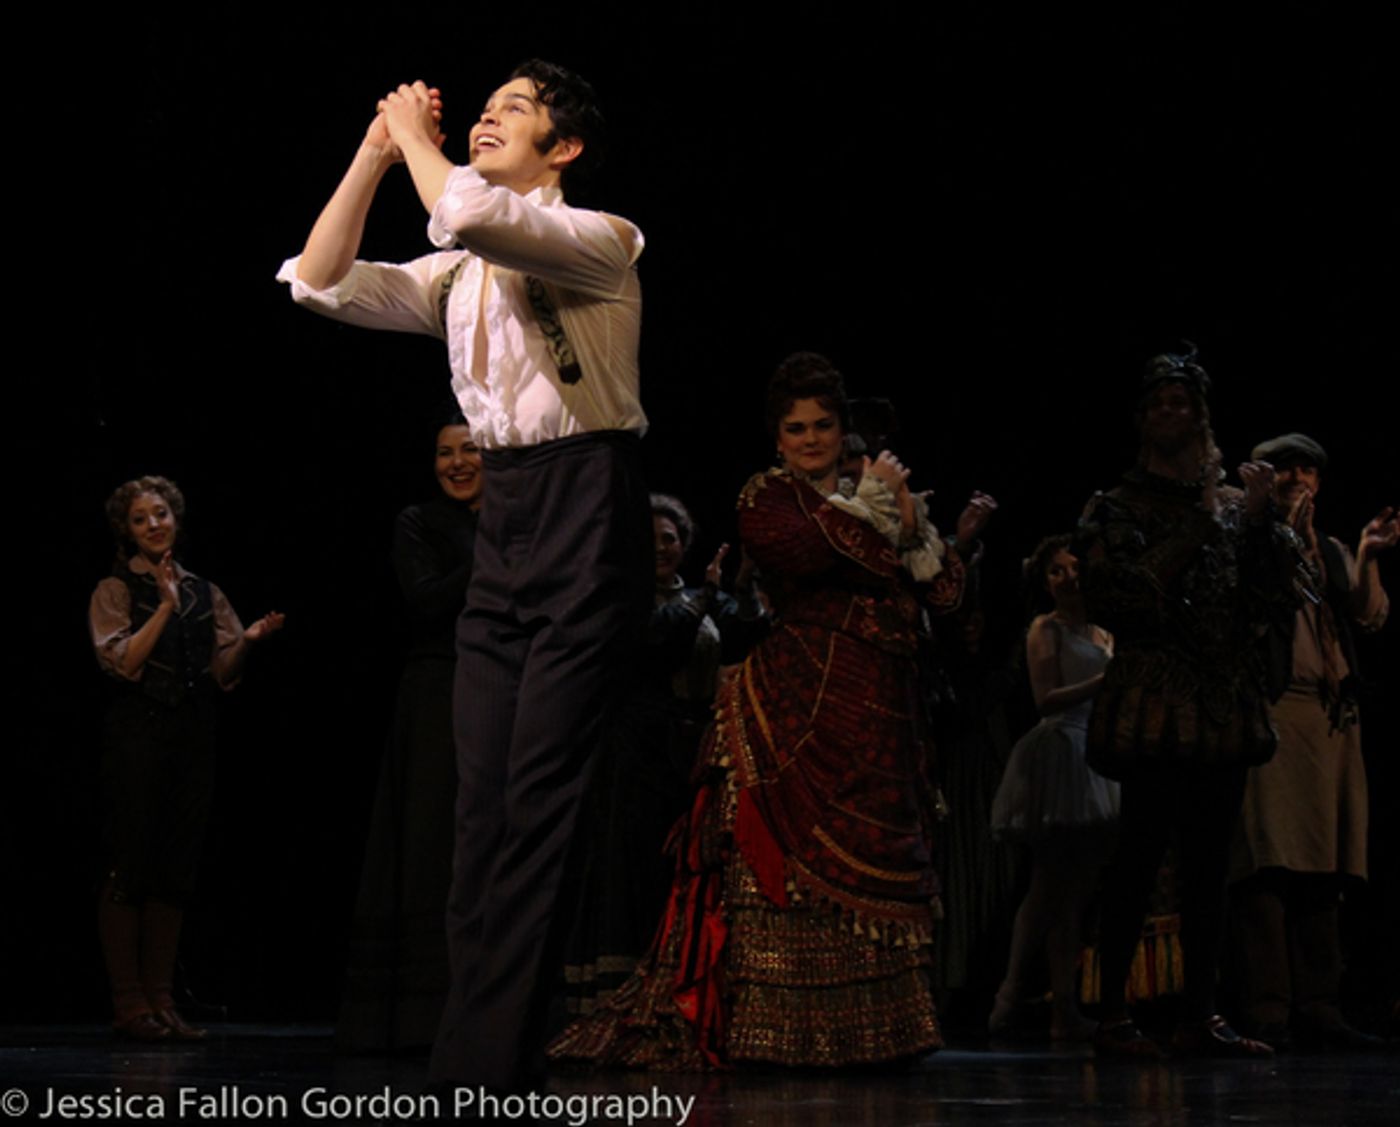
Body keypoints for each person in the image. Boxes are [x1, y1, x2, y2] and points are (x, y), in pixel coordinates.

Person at [279, 59, 650, 1090]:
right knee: (480, 803)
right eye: (481, 110)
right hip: (506, 517)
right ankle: (484, 1051)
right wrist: (372, 153)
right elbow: (318, 278)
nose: (487, 117)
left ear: (562, 146)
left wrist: (419, 144)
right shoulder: (456, 271)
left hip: (585, 506)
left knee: (537, 798)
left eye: (513, 111)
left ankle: (478, 1062)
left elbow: (472, 214)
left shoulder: (602, 240)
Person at [550, 352, 996, 1069]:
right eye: (797, 428)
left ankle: (880, 1032)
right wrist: (886, 518)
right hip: (798, 704)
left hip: (884, 710)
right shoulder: (769, 500)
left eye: (823, 425)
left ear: (842, 429)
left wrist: (913, 529)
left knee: (882, 863)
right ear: (778, 438)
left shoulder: (876, 497)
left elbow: (947, 597)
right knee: (780, 858)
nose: (811, 438)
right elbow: (831, 551)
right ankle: (771, 1030)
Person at [1075, 346, 1296, 1059]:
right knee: (1138, 855)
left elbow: (1262, 600)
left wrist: (1261, 524)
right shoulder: (1117, 505)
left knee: (1210, 865)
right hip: (1153, 702)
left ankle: (1199, 1014)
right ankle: (1112, 1013)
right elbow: (1127, 595)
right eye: (1160, 403)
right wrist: (1204, 520)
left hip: (1220, 704)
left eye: (1185, 404)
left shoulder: (1233, 505)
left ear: (1202, 419)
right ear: (1143, 419)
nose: (1172, 414)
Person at [556, 493, 768, 1023]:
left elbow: (744, 634)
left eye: (670, 539)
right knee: (634, 867)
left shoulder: (703, 595)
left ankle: (685, 987)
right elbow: (656, 644)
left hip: (690, 750)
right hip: (634, 753)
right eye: (649, 540)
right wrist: (706, 599)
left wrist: (738, 587)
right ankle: (627, 993)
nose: (661, 549)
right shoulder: (618, 602)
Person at [90, 476, 284, 1041]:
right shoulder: (115, 588)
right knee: (130, 864)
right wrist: (163, 609)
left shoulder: (204, 590)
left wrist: (245, 641)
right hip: (136, 737)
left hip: (191, 739)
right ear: (126, 531)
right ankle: (129, 1002)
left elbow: (221, 675)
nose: (154, 524)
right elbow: (123, 663)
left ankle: (162, 1000)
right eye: (140, 518)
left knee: (174, 868)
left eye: (161, 515)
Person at [1230, 432, 1395, 1048]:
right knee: (1268, 863)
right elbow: (1249, 592)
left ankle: (1320, 1004)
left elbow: (1369, 615)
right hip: (1275, 711)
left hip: (1329, 720)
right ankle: (1269, 1008)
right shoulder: (1245, 535)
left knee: (1325, 867)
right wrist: (1272, 526)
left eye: (1307, 470)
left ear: (1320, 481)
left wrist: (1367, 553)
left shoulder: (1326, 547)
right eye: (1284, 469)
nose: (1297, 477)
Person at [337, 416, 483, 1052]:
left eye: (469, 449)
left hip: (503, 691)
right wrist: (496, 553)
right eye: (444, 453)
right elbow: (425, 601)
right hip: (435, 691)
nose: (455, 462)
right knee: (430, 843)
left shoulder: (517, 521)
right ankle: (423, 1018)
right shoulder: (419, 522)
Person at [989, 534, 1118, 1041]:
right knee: (1049, 882)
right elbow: (1046, 698)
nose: (1068, 578)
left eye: (1073, 568)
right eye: (1056, 572)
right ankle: (1009, 993)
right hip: (1062, 752)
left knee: (1076, 892)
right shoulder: (1047, 628)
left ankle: (1064, 1005)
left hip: (1099, 756)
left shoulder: (1106, 632)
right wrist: (1104, 683)